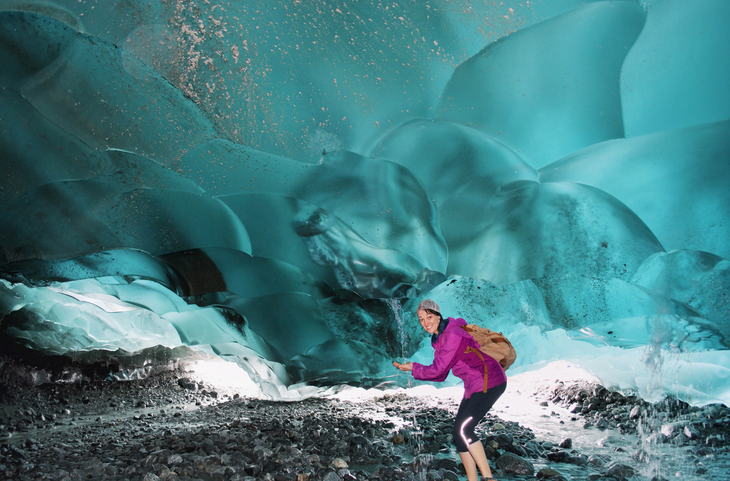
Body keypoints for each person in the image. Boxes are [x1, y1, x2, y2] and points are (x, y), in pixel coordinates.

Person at [393, 299, 507, 481]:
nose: (425, 323)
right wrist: (414, 367)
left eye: (429, 317)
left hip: (489, 380)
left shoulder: (452, 333)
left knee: (464, 429)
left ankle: (488, 478)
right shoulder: (439, 340)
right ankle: (472, 479)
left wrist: (413, 368)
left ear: (438, 316)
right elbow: (441, 374)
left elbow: (438, 370)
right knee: (458, 432)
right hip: (474, 385)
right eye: (421, 320)